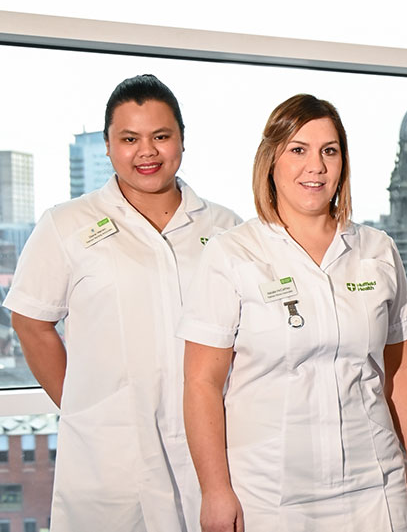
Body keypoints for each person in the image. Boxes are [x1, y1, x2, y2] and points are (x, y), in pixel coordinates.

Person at [179, 94, 407, 531]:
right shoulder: (232, 254)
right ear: (271, 160)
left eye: (328, 151)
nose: (315, 166)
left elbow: (402, 367)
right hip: (270, 492)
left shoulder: (377, 249)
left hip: (376, 482)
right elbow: (201, 382)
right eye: (298, 150)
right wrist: (214, 489)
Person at [2, 74, 241, 531]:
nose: (146, 152)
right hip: (107, 460)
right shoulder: (66, 225)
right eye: (130, 139)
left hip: (211, 453)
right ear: (109, 146)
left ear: (182, 140)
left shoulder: (226, 227)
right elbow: (30, 324)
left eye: (161, 136)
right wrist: (88, 407)